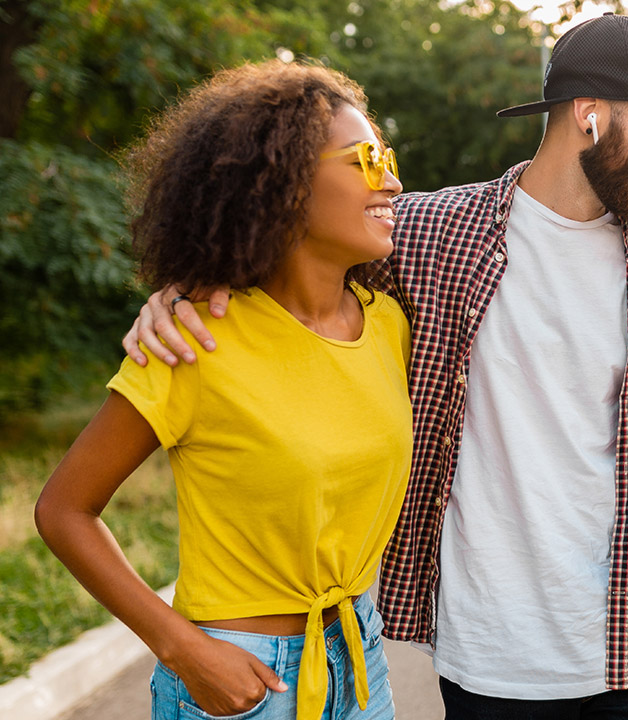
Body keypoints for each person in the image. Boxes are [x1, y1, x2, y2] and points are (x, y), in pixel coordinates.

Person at [122, 13, 628, 718]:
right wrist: (184, 289)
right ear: (590, 115)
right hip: (491, 650)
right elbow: (283, 262)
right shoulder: (424, 234)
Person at [36, 61, 409, 720]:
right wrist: (183, 650)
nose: (393, 179)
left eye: (390, 155)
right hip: (236, 679)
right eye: (366, 157)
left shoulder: (389, 324)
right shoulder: (195, 340)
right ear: (284, 181)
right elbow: (65, 510)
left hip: (359, 660)